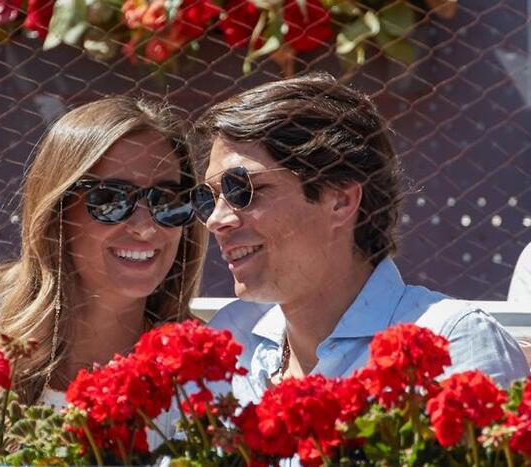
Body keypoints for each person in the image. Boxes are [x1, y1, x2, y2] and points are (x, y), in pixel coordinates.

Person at [191, 73, 528, 405]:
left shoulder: (452, 346)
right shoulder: (229, 339)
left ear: (340, 200)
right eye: (208, 198)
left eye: (243, 190)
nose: (216, 220)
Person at [0, 96, 207, 443]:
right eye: (112, 200)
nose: (145, 227)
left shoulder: (202, 374)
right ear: (57, 214)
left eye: (169, 200)